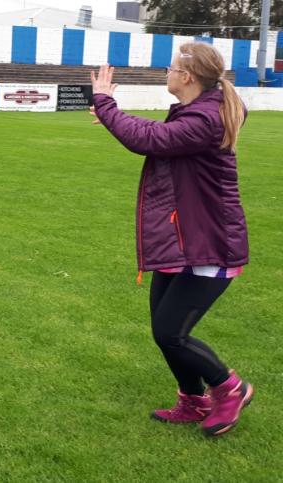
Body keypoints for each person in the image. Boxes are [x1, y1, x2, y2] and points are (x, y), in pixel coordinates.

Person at [90, 41, 253, 437]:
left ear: (187, 76)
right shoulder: (196, 112)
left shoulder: (207, 118)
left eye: (169, 67)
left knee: (170, 332)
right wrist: (114, 115)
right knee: (164, 331)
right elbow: (159, 133)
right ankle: (193, 400)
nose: (165, 72)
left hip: (212, 244)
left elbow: (151, 140)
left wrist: (106, 104)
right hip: (184, 242)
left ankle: (230, 389)